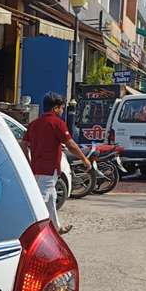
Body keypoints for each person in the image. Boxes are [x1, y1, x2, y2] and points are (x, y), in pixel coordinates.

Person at [22, 92, 91, 236]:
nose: (63, 110)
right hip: (49, 168)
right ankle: (30, 231)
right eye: (62, 108)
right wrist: (84, 159)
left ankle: (56, 227)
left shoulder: (33, 124)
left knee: (51, 197)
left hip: (35, 167)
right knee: (41, 200)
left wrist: (27, 161)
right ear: (55, 108)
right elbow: (70, 144)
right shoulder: (58, 123)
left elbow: (24, 144)